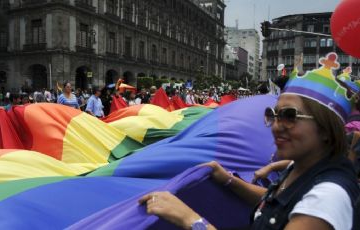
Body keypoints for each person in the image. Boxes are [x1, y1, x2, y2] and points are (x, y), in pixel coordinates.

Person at [139, 53, 360, 230]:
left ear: (326, 129)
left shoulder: (327, 198)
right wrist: (228, 180)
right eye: (273, 115)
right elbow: (275, 200)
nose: (276, 126)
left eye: (290, 116)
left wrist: (190, 219)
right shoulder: (302, 165)